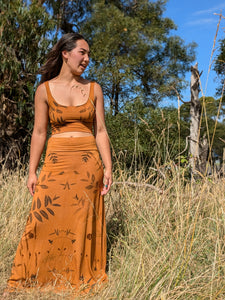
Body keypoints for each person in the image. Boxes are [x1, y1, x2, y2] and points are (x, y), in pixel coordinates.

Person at [6, 33, 112, 293]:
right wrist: (31, 171)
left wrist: (109, 167)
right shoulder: (44, 90)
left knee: (80, 220)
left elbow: (101, 131)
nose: (87, 59)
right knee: (43, 218)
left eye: (88, 55)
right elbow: (39, 132)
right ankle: (36, 276)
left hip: (88, 163)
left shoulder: (94, 88)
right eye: (82, 53)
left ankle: (74, 277)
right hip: (55, 161)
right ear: (66, 53)